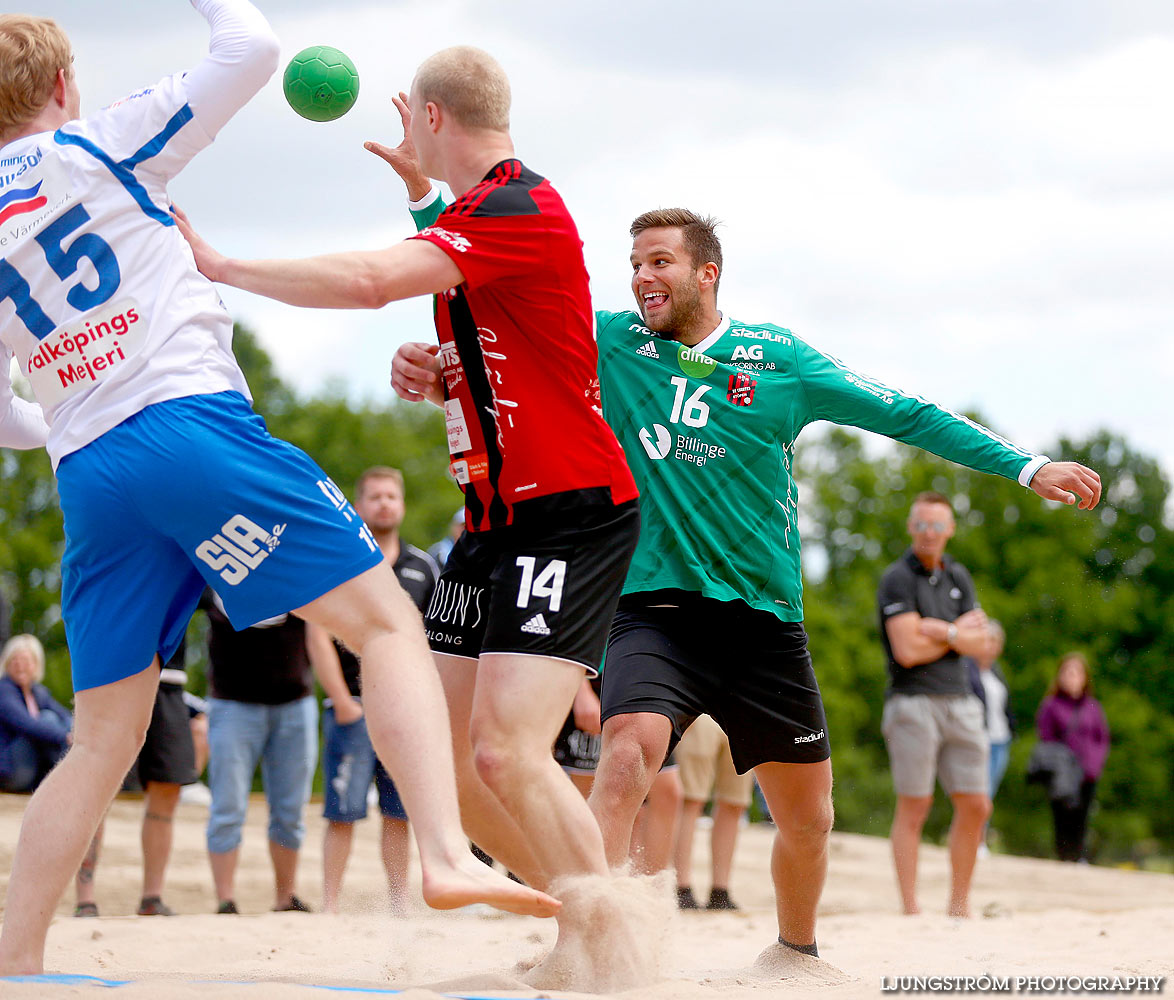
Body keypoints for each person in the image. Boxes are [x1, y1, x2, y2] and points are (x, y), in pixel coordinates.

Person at [393, 204, 1102, 962]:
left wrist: (1027, 467)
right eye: (634, 264)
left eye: (658, 261)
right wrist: (440, 337)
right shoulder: (613, 341)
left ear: (707, 272)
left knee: (809, 819)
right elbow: (509, 319)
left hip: (762, 622)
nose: (640, 277)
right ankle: (585, 944)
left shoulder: (777, 360)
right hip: (650, 609)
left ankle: (795, 952)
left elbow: (906, 414)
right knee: (627, 754)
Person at [0, 7, 554, 975]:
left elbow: (9, 416)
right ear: (59, 88)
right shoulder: (95, 140)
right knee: (384, 624)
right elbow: (250, 49)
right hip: (187, 427)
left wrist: (67, 420)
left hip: (89, 471)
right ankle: (442, 851)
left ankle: (14, 952)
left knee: (98, 739)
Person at [178, 46, 638, 983]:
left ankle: (616, 952)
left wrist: (220, 264)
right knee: (437, 763)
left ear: (429, 117)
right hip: (492, 522)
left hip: (572, 514)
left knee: (507, 752)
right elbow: (489, 319)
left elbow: (369, 280)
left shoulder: (520, 205)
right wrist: (442, 370)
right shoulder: (477, 213)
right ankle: (584, 923)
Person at [317, 467, 440, 914]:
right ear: (359, 505)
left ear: (402, 504)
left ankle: (398, 903)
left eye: (392, 495)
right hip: (351, 705)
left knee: (399, 811)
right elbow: (317, 634)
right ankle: (329, 905)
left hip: (405, 708)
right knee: (341, 808)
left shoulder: (424, 566)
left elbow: (437, 639)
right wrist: (344, 701)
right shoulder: (340, 560)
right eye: (375, 496)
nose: (384, 503)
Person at [879, 492, 1002, 916]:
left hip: (962, 702)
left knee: (976, 804)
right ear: (911, 527)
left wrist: (940, 631)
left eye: (937, 526)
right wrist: (955, 635)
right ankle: (910, 909)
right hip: (913, 703)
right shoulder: (897, 578)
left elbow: (982, 642)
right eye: (922, 525)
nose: (929, 534)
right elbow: (907, 651)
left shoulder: (959, 576)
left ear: (949, 529)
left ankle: (959, 904)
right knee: (916, 804)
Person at [200, 589, 323, 914]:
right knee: (227, 807)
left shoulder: (293, 558)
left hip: (295, 702)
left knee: (291, 810)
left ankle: (286, 898)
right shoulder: (212, 562)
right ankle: (225, 901)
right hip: (231, 702)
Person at [74, 641, 204, 918]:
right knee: (98, 787)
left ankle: (152, 898)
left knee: (167, 789)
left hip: (169, 681)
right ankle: (85, 899)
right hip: (115, 675)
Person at [673, 714, 753, 911]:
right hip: (701, 708)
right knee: (691, 798)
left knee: (735, 801)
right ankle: (681, 887)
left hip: (745, 709)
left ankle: (720, 891)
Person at [1036, 652, 1109, 862]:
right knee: (1062, 817)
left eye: (1076, 673)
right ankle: (1064, 858)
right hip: (1062, 773)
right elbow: (1046, 738)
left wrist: (1094, 764)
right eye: (1067, 672)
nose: (1071, 677)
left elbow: (1102, 737)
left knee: (1082, 817)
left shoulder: (1093, 707)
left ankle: (1078, 858)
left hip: (1087, 772)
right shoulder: (1051, 705)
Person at [0, 634, 70, 793]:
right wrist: (65, 736)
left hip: (32, 769)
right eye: (14, 660)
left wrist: (78, 733)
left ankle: (67, 775)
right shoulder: (4, 691)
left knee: (61, 721)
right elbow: (27, 724)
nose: (20, 665)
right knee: (47, 719)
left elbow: (65, 715)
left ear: (36, 664)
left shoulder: (38, 692)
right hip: (12, 770)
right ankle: (65, 778)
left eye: (25, 661)